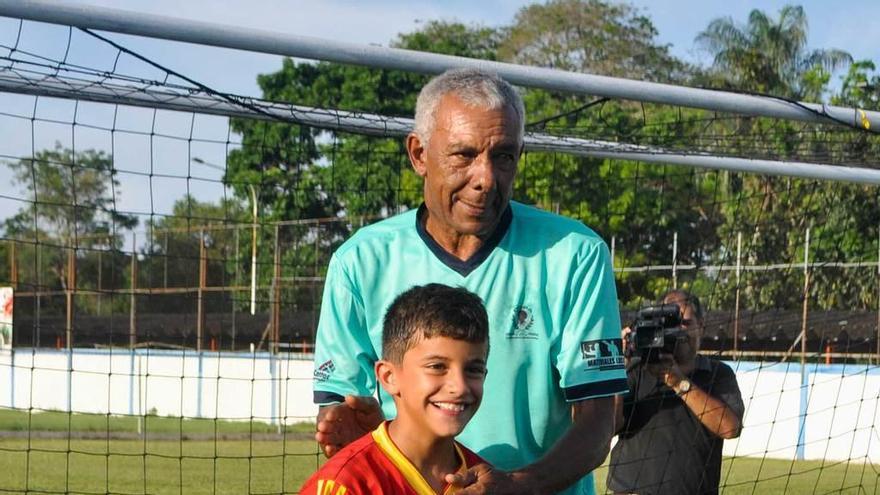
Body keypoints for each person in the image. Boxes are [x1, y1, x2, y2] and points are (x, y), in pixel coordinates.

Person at [312, 67, 627, 495]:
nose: (485, 178)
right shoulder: (359, 261)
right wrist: (344, 423)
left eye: (503, 156)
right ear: (419, 154)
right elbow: (343, 406)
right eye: (463, 154)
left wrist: (517, 486)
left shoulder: (576, 254)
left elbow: (597, 421)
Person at [300, 284, 490, 494]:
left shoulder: (485, 481)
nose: (460, 386)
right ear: (388, 377)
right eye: (437, 367)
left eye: (473, 370)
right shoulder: (345, 484)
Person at [607, 289, 745, 495]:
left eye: (685, 322)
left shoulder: (718, 374)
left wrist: (677, 381)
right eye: (669, 323)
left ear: (702, 325)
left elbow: (730, 428)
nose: (678, 330)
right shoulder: (636, 369)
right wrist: (619, 365)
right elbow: (609, 425)